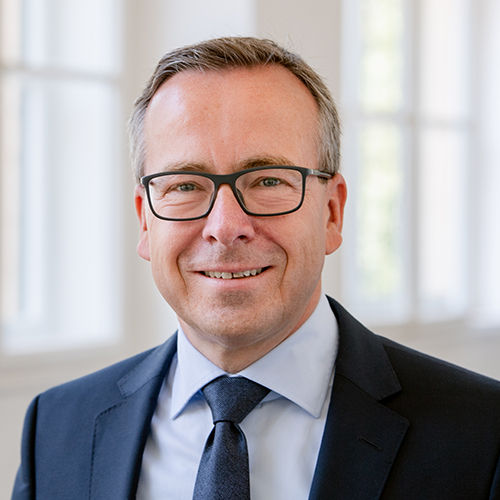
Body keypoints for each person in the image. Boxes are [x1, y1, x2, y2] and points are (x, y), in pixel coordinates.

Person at [12, 37, 500, 500]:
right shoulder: (56, 428)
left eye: (268, 179)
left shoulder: (482, 434)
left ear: (332, 213)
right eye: (185, 185)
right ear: (145, 219)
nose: (225, 227)